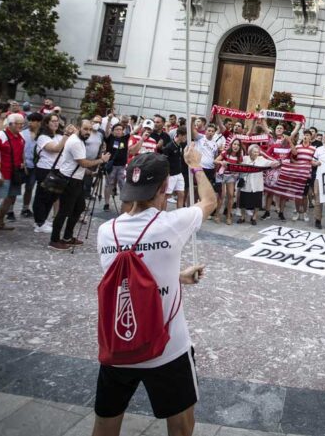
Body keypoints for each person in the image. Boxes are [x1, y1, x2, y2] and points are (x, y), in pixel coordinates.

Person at [92, 147, 212, 436]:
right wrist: (195, 165)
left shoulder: (106, 231)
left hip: (119, 344)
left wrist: (177, 277)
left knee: (105, 426)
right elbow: (210, 200)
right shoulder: (171, 224)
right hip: (168, 349)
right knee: (181, 428)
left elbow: (129, 280)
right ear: (165, 186)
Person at [49, 120, 110, 250]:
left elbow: (78, 164)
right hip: (69, 180)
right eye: (85, 129)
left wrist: (90, 173)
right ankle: (54, 240)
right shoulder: (76, 142)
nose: (88, 132)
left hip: (77, 179)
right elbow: (82, 162)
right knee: (64, 211)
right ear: (78, 128)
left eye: (89, 129)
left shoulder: (80, 140)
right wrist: (101, 160)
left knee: (79, 207)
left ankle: (67, 237)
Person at [0, 113, 26, 234]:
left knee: (11, 198)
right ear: (10, 124)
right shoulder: (0, 136)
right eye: (18, 123)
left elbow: (22, 151)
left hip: (15, 173)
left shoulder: (21, 136)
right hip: (2, 173)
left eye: (22, 123)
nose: (20, 126)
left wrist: (23, 163)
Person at [190, 122, 224, 220]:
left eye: (212, 131)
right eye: (209, 130)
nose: (210, 132)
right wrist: (192, 120)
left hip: (210, 169)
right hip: (199, 167)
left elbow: (214, 156)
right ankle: (192, 207)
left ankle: (201, 210)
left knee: (204, 190)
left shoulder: (215, 144)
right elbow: (192, 131)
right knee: (196, 189)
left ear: (214, 133)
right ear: (206, 131)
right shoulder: (200, 138)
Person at [239, 144, 279, 225]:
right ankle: (242, 217)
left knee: (257, 203)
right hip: (246, 184)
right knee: (243, 202)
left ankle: (254, 217)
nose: (256, 153)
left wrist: (277, 162)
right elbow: (237, 164)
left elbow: (269, 162)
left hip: (257, 184)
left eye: (257, 152)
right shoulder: (245, 159)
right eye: (254, 152)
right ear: (250, 152)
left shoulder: (261, 159)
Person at [214, 138, 245, 224]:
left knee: (231, 195)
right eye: (234, 144)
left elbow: (241, 168)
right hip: (221, 176)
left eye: (238, 145)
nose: (236, 146)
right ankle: (217, 215)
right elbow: (215, 161)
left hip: (231, 177)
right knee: (222, 196)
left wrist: (237, 171)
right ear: (231, 145)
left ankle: (228, 215)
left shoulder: (239, 157)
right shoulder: (225, 153)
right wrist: (221, 162)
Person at [20, 112, 44, 217]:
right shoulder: (22, 133)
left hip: (35, 166)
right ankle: (10, 210)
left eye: (32, 121)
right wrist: (23, 162)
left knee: (29, 187)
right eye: (29, 120)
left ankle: (25, 208)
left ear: (39, 122)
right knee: (15, 188)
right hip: (23, 164)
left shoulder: (42, 136)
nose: (30, 123)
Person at [158, 128, 189, 208]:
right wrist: (167, 175)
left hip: (179, 174)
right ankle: (162, 215)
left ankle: (179, 214)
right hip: (170, 175)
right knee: (166, 195)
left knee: (181, 194)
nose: (186, 139)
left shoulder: (180, 145)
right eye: (185, 137)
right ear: (180, 136)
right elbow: (164, 162)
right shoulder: (169, 147)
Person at [102, 123, 129, 212]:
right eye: (117, 129)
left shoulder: (125, 138)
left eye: (120, 129)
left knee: (122, 185)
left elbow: (135, 131)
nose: (119, 131)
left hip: (122, 166)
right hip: (112, 166)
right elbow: (106, 133)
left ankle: (124, 205)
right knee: (108, 184)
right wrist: (109, 120)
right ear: (113, 131)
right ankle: (106, 203)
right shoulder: (110, 138)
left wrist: (141, 123)